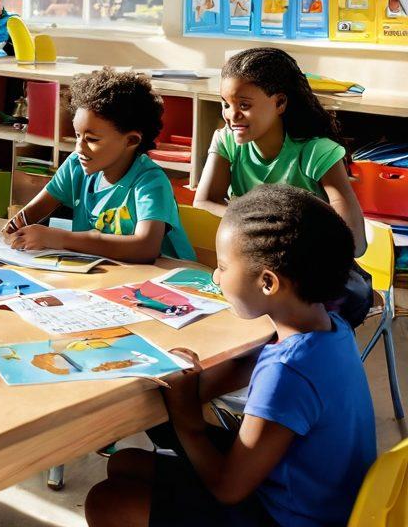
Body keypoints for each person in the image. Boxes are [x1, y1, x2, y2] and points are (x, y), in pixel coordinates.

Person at [85, 184, 376, 527]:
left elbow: (227, 488)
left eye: (222, 266)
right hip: (316, 498)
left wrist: (187, 420)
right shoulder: (331, 327)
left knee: (108, 503)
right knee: (126, 463)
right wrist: (196, 390)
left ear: (268, 283)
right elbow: (247, 369)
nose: (215, 276)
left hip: (289, 517)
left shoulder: (288, 372)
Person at [194, 46, 369, 324]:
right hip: (260, 267)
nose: (232, 115)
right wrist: (261, 228)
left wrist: (279, 232)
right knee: (234, 286)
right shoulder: (226, 141)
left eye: (245, 105)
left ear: (280, 103)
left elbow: (355, 243)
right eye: (226, 104)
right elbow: (204, 201)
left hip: (314, 268)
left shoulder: (316, 152)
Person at [3, 68, 194, 262]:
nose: (79, 148)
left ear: (131, 141)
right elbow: (30, 214)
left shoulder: (150, 182)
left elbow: (145, 248)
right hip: (110, 275)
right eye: (77, 136)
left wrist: (58, 238)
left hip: (167, 280)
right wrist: (16, 226)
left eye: (91, 139)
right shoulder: (75, 166)